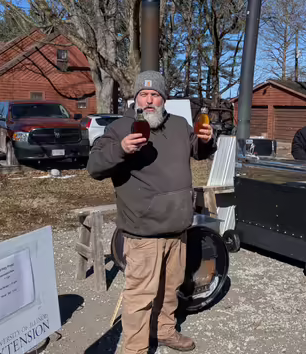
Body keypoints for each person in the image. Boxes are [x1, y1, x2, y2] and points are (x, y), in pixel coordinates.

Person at [87, 70, 216, 354]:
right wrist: (120, 149)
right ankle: (135, 349)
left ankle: (165, 331)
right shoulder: (121, 128)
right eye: (143, 95)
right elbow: (94, 167)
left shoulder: (180, 125)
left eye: (155, 95)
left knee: (171, 289)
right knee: (141, 297)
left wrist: (205, 141)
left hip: (178, 226)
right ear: (135, 99)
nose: (148, 101)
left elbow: (197, 150)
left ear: (163, 99)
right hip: (143, 230)